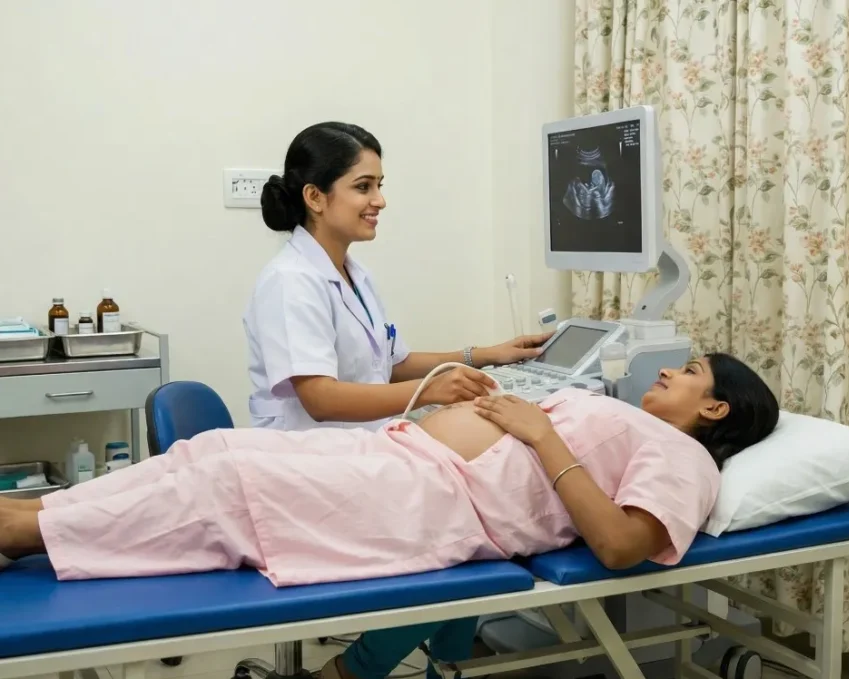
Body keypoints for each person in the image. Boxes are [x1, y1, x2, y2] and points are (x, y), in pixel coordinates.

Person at [0, 354, 779, 679]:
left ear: (713, 408)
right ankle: (39, 515)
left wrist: (539, 431)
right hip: (401, 462)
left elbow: (617, 544)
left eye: (691, 372)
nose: (670, 369)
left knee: (228, 477)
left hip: (426, 502)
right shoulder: (635, 419)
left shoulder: (685, 460)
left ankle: (25, 528)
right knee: (215, 455)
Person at [245, 121, 551, 432]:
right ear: (315, 197)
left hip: (364, 443)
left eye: (379, 185)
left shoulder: (355, 275)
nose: (380, 200)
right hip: (307, 456)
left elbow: (392, 365)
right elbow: (320, 399)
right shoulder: (290, 281)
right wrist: (429, 390)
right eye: (364, 187)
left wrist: (488, 355)